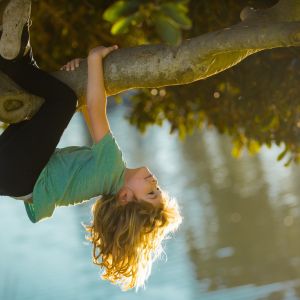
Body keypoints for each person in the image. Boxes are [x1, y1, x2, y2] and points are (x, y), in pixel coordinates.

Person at [0, 3, 182, 292]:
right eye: (159, 190)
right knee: (45, 101)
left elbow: (95, 108)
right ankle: (18, 53)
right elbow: (86, 103)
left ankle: (12, 62)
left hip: (22, 172)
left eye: (150, 193)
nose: (155, 184)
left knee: (62, 102)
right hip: (15, 178)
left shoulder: (111, 168)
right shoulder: (103, 179)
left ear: (124, 197)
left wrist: (94, 59)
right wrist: (81, 71)